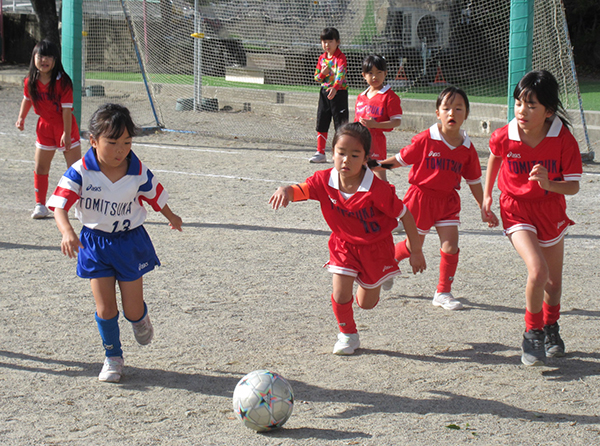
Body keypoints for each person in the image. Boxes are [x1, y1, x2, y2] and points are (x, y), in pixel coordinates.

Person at [47, 103, 183, 382]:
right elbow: (59, 206)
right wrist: (67, 232)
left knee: (132, 310)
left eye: (127, 142)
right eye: (112, 142)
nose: (121, 149)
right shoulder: (80, 171)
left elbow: (155, 197)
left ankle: (140, 319)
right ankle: (113, 358)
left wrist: (172, 216)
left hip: (129, 243)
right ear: (93, 141)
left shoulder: (137, 169)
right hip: (95, 244)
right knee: (106, 308)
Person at [270, 122, 426, 355]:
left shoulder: (377, 189)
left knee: (366, 304)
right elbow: (300, 190)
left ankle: (394, 260)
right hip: (343, 246)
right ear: (332, 154)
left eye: (355, 155)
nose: (346, 159)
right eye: (341, 153)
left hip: (375, 248)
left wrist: (415, 251)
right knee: (341, 293)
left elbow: (406, 216)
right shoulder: (324, 181)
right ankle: (348, 335)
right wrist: (285, 190)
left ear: (365, 159)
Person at [481, 70, 582, 367]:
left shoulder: (563, 139)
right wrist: (487, 196)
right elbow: (495, 156)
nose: (522, 110)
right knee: (537, 271)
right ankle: (532, 332)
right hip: (516, 208)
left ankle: (551, 327)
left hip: (550, 208)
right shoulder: (506, 134)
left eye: (532, 105)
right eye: (518, 102)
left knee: (553, 284)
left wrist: (549, 183)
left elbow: (573, 186)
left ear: (549, 111)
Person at [374, 87, 491, 307]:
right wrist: (373, 165)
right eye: (446, 108)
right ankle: (386, 263)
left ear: (466, 114)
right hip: (421, 199)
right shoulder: (426, 139)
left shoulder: (467, 148)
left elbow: (474, 181)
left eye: (458, 109)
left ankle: (443, 293)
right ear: (437, 113)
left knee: (451, 245)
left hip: (447, 201)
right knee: (412, 246)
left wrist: (483, 206)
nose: (452, 113)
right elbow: (400, 159)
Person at [15, 39, 82, 219]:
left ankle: (81, 204)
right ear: (34, 58)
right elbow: (27, 99)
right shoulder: (30, 81)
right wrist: (21, 118)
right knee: (41, 166)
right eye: (40, 56)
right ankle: (40, 205)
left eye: (48, 56)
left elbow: (67, 110)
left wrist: (66, 134)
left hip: (64, 125)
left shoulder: (63, 82)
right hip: (44, 127)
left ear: (55, 59)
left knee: (75, 168)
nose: (44, 60)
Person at [354, 54, 402, 182]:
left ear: (385, 73)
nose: (374, 76)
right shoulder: (361, 97)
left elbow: (396, 121)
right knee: (359, 175)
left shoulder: (389, 97)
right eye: (370, 73)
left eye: (379, 72)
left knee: (379, 176)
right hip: (360, 143)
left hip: (377, 143)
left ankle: (387, 200)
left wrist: (376, 125)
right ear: (363, 75)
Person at [310, 27, 349, 164]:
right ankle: (320, 152)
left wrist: (335, 88)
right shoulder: (322, 58)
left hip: (339, 93)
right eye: (324, 42)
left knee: (340, 124)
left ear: (337, 42)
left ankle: (340, 152)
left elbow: (341, 74)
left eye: (330, 41)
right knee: (322, 121)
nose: (326, 45)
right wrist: (323, 74)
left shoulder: (340, 57)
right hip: (324, 93)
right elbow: (316, 77)